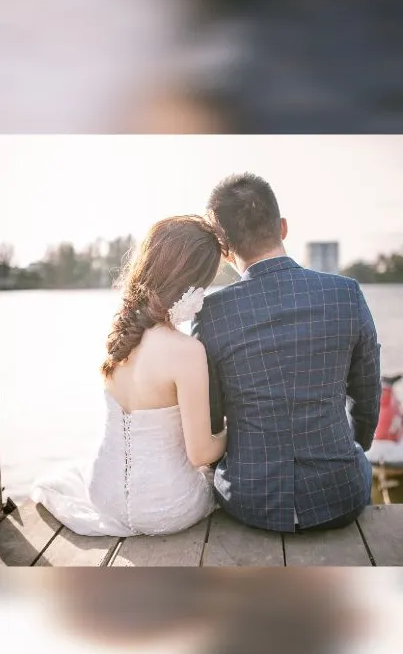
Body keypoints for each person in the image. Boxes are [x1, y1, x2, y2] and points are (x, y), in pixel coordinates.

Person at [192, 173, 381, 533]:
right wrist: (354, 446)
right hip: (340, 495)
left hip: (250, 501)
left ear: (225, 249)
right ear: (283, 227)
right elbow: (368, 396)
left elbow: (213, 420)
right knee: (358, 463)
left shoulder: (210, 314)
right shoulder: (347, 294)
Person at [31, 217, 226, 536]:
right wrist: (231, 432)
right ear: (190, 284)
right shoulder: (187, 351)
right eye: (204, 283)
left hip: (103, 494)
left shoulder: (122, 336)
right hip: (168, 506)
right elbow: (200, 453)